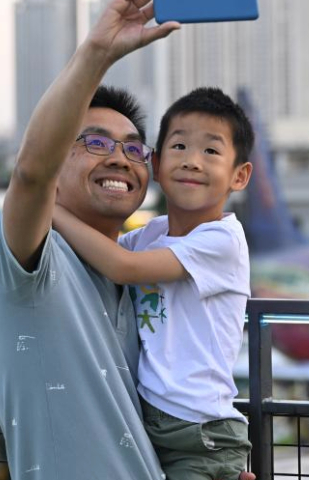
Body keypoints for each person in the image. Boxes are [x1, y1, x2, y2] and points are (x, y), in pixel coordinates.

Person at [0, 1, 254, 479]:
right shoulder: (33, 258)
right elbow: (32, 174)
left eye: (132, 147)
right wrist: (97, 52)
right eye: (94, 142)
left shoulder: (139, 266)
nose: (119, 157)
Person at [52, 86, 254, 480]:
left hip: (201, 433)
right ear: (157, 164)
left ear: (239, 175)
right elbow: (96, 252)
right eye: (179, 147)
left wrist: (54, 210)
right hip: (153, 424)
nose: (192, 162)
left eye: (211, 151)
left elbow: (121, 266)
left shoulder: (222, 240)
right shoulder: (152, 234)